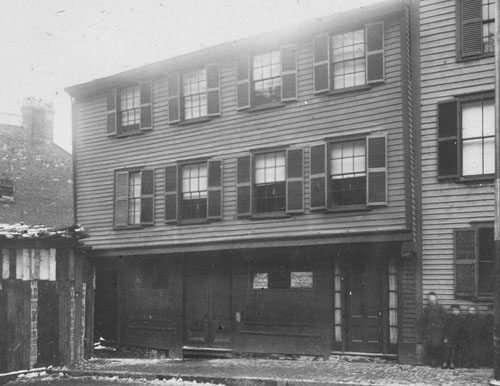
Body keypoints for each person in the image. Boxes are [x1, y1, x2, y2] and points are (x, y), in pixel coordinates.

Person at [421, 292, 446, 367]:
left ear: (436, 298)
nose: (431, 300)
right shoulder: (427, 308)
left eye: (433, 298)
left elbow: (444, 318)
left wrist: (441, 327)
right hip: (429, 330)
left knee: (437, 346)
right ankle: (431, 362)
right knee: (430, 346)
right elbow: (423, 319)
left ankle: (438, 362)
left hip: (438, 330)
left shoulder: (440, 308)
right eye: (430, 298)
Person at [442, 304, 464, 369]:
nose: (455, 311)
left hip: (457, 337)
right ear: (451, 311)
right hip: (449, 337)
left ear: (459, 311)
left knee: (454, 351)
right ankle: (445, 363)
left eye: (457, 310)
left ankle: (452, 363)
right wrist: (445, 337)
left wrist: (461, 338)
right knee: (447, 350)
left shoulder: (461, 319)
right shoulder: (449, 318)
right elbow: (446, 328)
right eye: (453, 310)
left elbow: (462, 329)